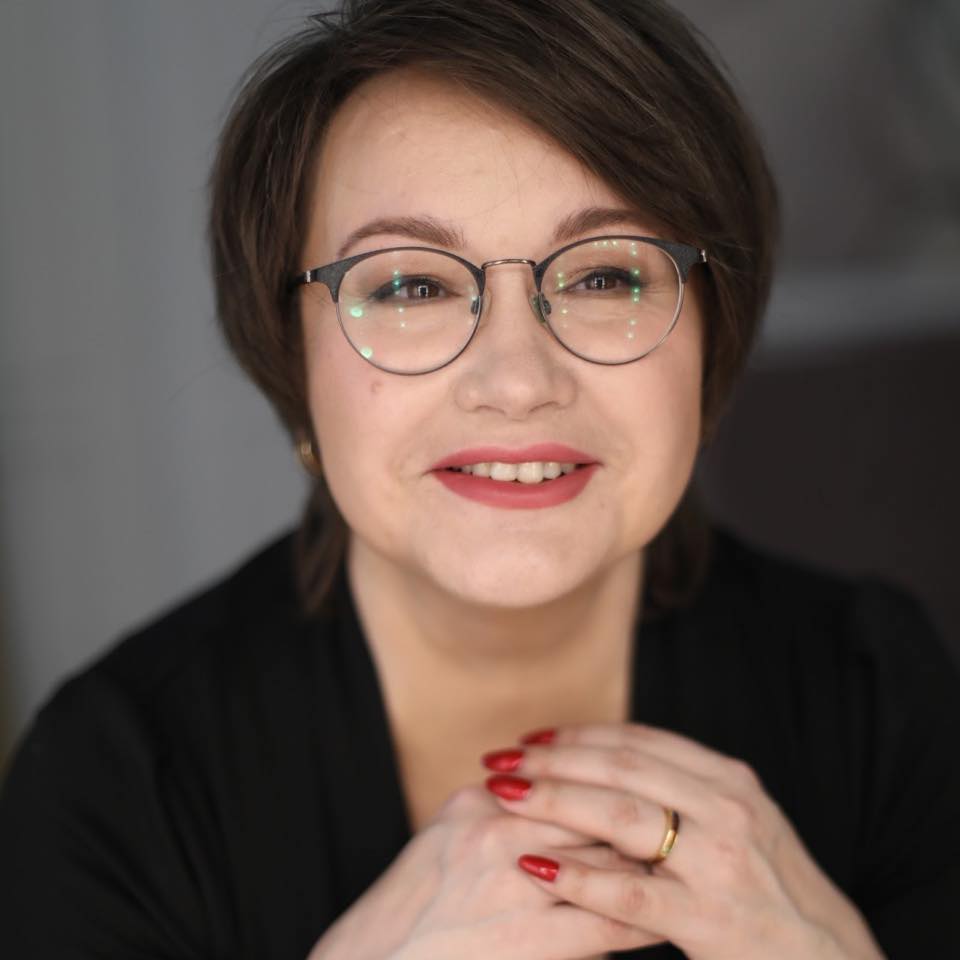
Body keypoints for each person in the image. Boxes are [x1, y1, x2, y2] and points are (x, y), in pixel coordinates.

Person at [1, 1, 958, 957]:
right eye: (410, 285)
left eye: (604, 277)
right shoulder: (114, 784)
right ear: (290, 360)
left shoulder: (882, 693)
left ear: (714, 338)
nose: (516, 381)